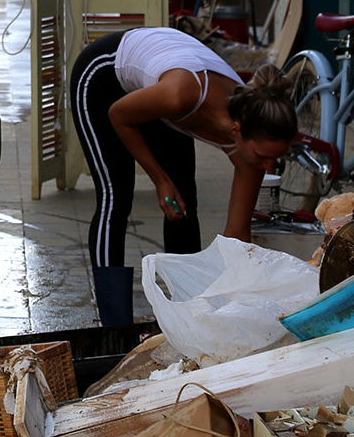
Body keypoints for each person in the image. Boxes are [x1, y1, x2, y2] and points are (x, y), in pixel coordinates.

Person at [68, 29, 297, 326]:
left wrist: (236, 308)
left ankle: (189, 318)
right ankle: (113, 329)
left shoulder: (254, 133)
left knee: (183, 202)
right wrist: (159, 178)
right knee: (116, 196)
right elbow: (118, 115)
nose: (268, 167)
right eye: (263, 156)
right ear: (237, 131)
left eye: (274, 159)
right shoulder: (181, 95)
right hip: (104, 77)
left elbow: (237, 238)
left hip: (163, 87)